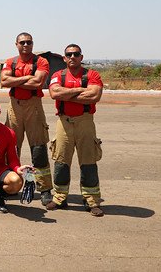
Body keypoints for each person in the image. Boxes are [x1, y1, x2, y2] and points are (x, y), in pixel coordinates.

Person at [47, 44, 104, 217]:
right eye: (69, 54)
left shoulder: (92, 75)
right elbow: (55, 94)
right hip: (64, 122)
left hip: (85, 122)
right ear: (64, 58)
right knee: (61, 159)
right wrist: (80, 90)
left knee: (88, 160)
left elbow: (94, 95)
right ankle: (59, 197)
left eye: (76, 54)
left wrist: (68, 94)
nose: (72, 57)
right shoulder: (58, 75)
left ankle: (91, 199)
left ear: (81, 56)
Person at [0, 32, 53, 206]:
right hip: (14, 105)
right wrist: (26, 78)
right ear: (16, 44)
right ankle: (10, 186)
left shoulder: (41, 62)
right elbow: (4, 81)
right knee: (12, 147)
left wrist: (14, 80)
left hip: (33, 105)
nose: (25, 45)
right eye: (22, 42)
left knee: (38, 148)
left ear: (32, 44)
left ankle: (44, 189)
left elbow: (37, 83)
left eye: (28, 42)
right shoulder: (11, 61)